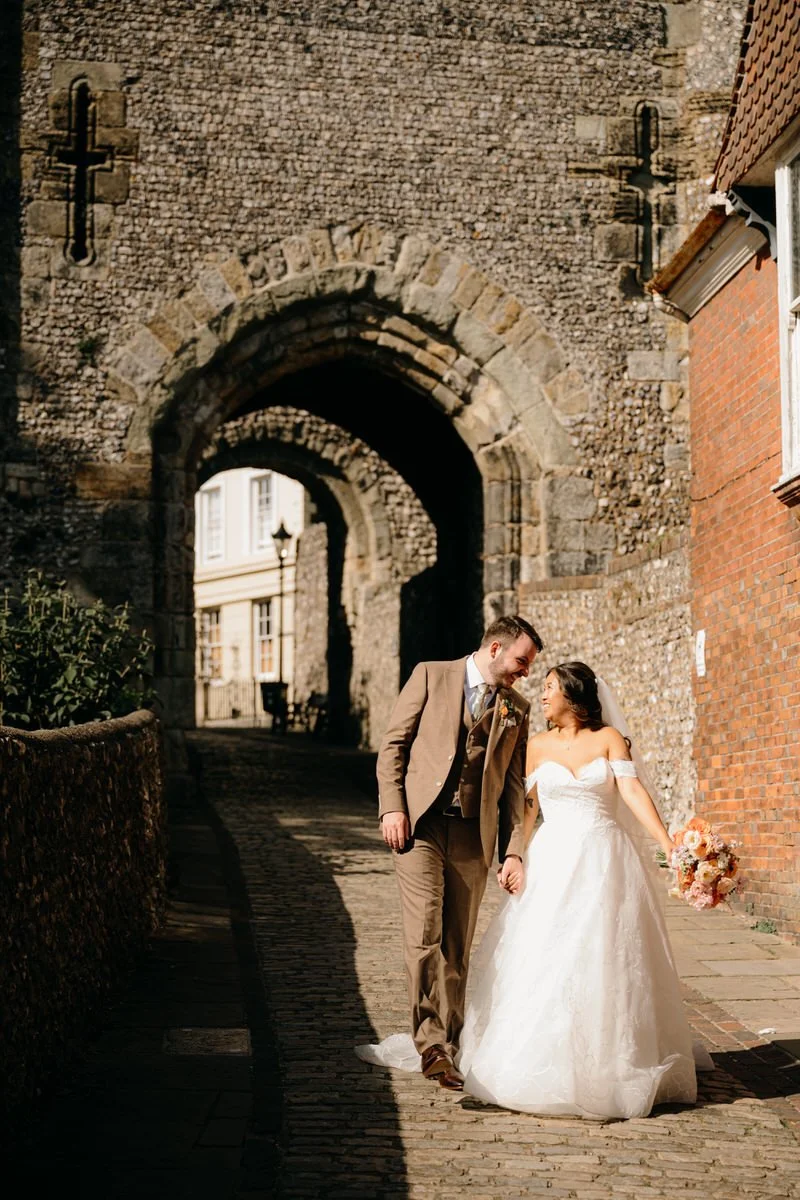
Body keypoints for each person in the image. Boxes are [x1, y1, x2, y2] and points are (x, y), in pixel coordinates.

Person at [457, 660, 709, 1119]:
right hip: (552, 859)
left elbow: (631, 793)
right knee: (546, 955)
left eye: (551, 687)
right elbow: (529, 810)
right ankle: (540, 1060)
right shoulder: (535, 745)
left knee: (605, 954)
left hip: (604, 859)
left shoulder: (608, 739)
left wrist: (670, 845)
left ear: (573, 696)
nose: (544, 694)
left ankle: (611, 1062)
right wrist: (514, 855)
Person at [366, 615, 542, 1091]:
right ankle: (431, 1045)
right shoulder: (430, 674)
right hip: (419, 826)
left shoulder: (516, 709)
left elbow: (512, 785)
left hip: (471, 834)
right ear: (495, 648)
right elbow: (394, 746)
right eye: (521, 661)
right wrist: (392, 808)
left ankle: (455, 1040)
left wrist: (513, 852)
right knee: (423, 933)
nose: (524, 672)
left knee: (456, 946)